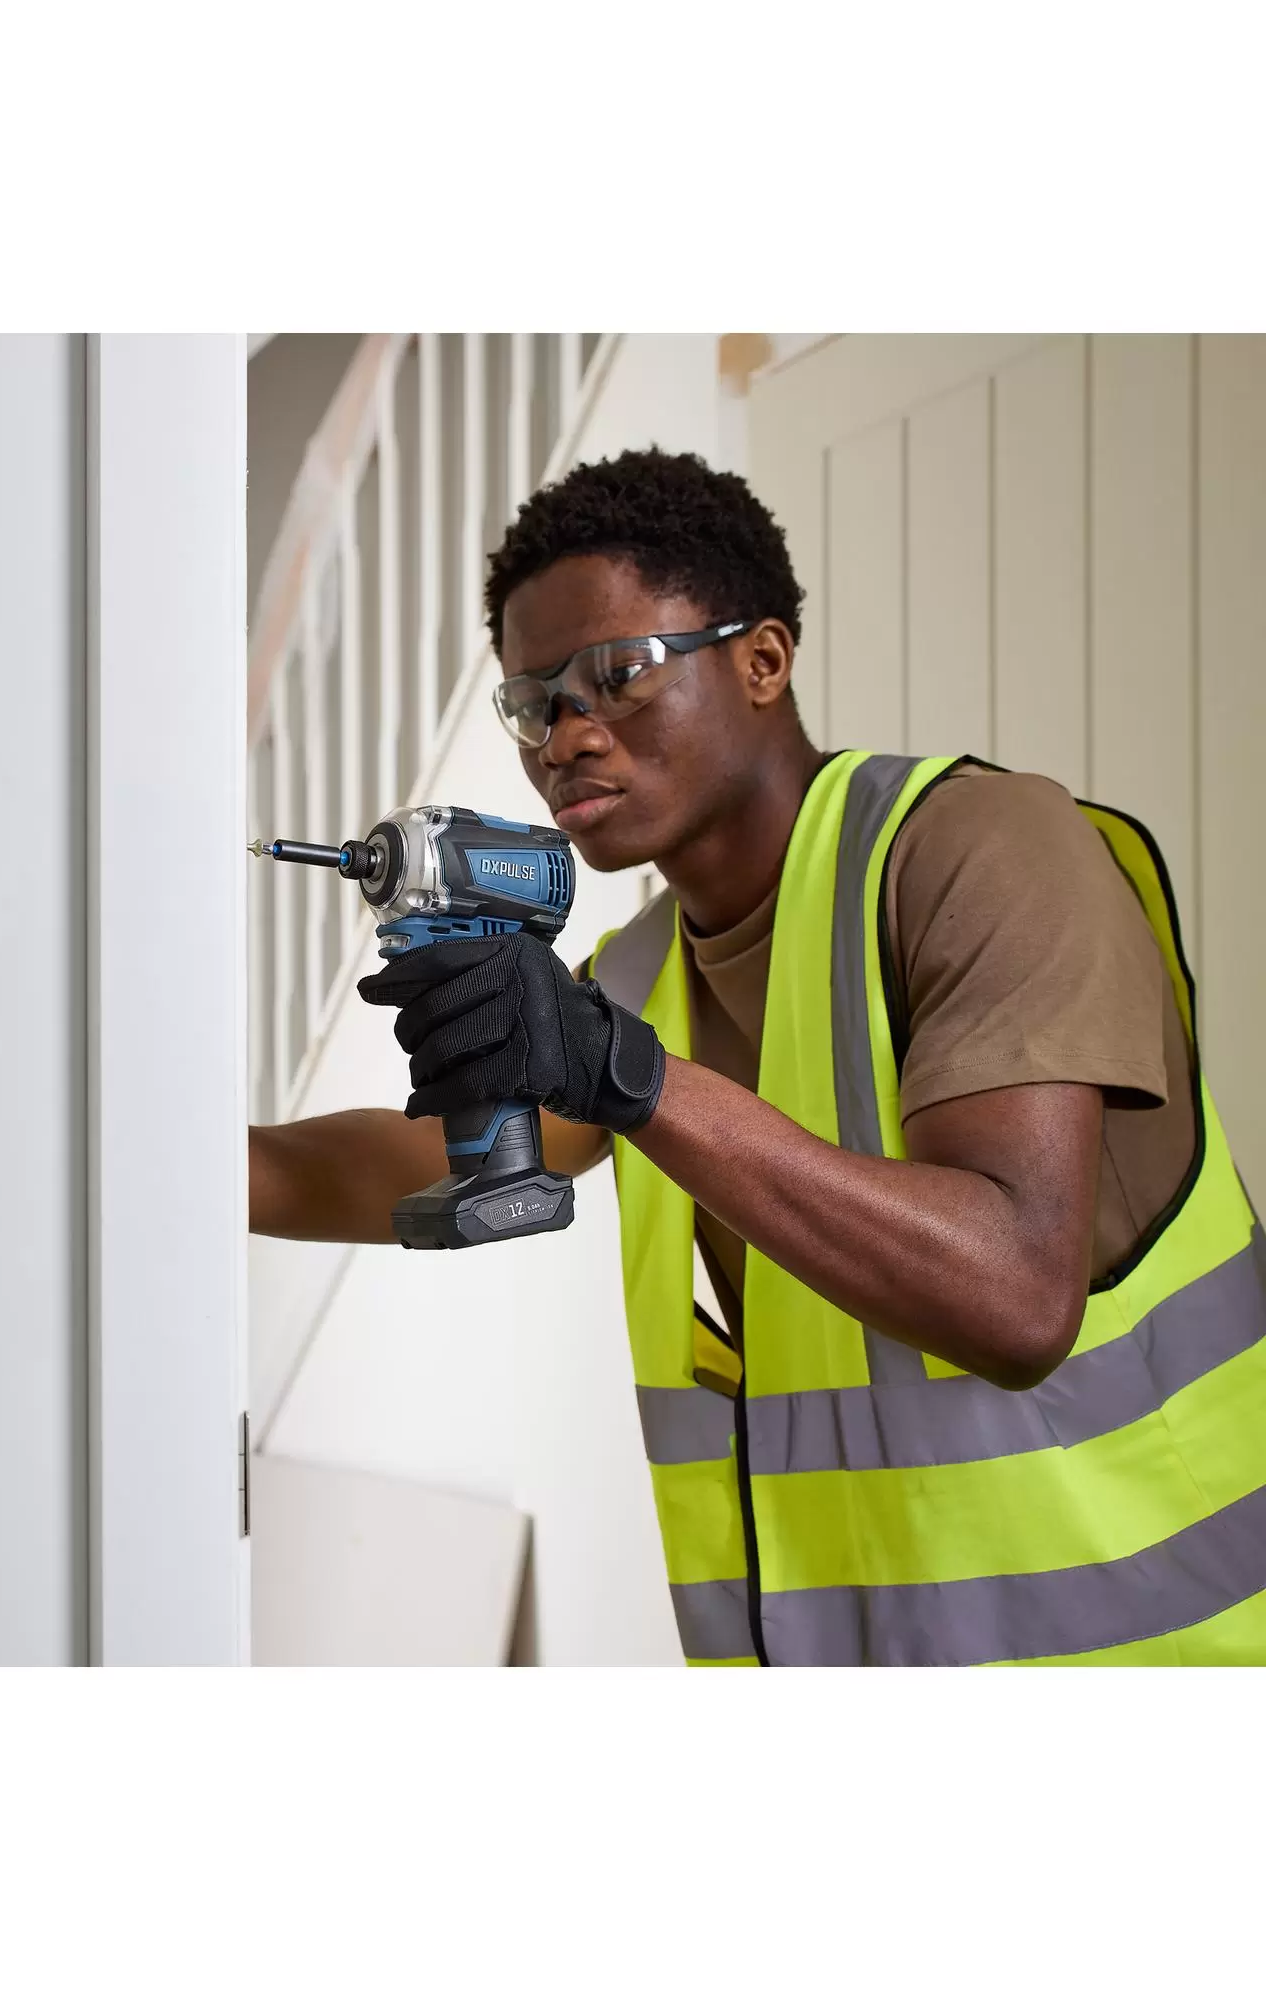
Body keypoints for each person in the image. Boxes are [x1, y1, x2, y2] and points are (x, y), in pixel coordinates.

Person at [249, 446, 1266, 1667]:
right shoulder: (637, 978)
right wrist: (189, 1166)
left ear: (762, 659)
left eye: (615, 674)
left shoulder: (979, 847)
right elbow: (427, 1157)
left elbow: (1013, 1295)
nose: (565, 736)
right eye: (531, 703)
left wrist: (629, 1077)